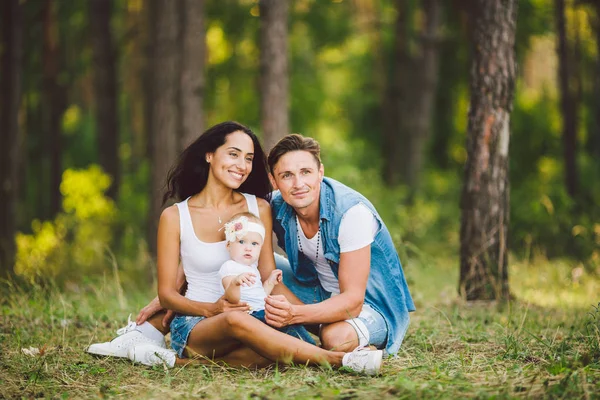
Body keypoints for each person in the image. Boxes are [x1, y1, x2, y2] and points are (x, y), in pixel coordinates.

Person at [87, 121, 382, 375]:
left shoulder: (260, 207)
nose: (242, 165)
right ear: (209, 155)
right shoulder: (175, 216)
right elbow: (167, 294)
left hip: (252, 314)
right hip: (198, 325)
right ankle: (339, 361)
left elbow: (269, 274)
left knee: (273, 352)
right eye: (233, 154)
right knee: (235, 320)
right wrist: (212, 308)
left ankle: (178, 363)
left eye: (249, 158)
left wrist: (299, 317)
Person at [263, 134, 416, 356]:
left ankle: (326, 332)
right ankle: (319, 326)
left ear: (320, 173)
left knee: (335, 339)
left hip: (369, 305)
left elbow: (353, 301)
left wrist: (294, 315)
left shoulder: (351, 213)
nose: (298, 184)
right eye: (287, 175)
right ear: (274, 181)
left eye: (306, 172)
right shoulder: (275, 205)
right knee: (261, 269)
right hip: (318, 292)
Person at [218, 212, 314, 344]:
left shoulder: (253, 269)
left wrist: (270, 282)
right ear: (228, 245)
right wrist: (235, 283)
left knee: (288, 323)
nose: (248, 248)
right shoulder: (229, 267)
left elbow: (261, 295)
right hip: (249, 315)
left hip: (263, 311)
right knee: (280, 331)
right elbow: (232, 299)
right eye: (241, 241)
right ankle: (306, 349)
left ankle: (310, 346)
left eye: (254, 244)